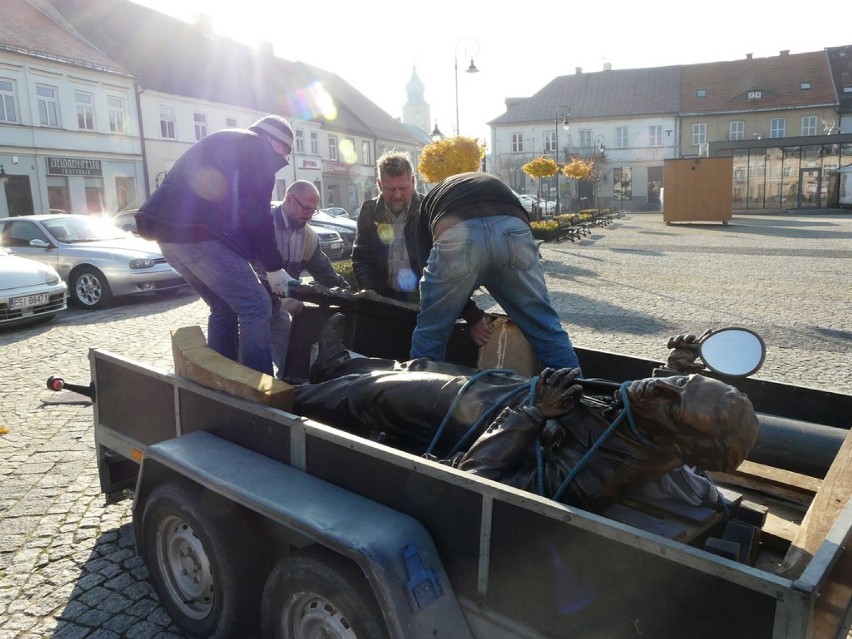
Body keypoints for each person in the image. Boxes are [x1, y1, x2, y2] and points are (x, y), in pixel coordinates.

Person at [294, 314, 759, 514]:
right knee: (414, 367)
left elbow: (479, 477)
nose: (661, 386)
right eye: (683, 382)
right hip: (501, 394)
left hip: (476, 418)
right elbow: (657, 406)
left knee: (374, 395)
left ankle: (293, 397)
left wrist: (533, 414)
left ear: (679, 441)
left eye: (675, 398)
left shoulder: (597, 476)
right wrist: (676, 369)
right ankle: (336, 364)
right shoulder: (652, 421)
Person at [135, 115, 297, 375]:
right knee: (256, 304)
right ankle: (257, 388)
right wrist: (275, 267)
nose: (282, 161)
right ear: (274, 141)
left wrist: (261, 263)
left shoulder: (230, 143)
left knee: (223, 306)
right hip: (196, 234)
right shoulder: (258, 148)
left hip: (168, 235)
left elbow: (238, 216)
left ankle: (221, 380)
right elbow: (257, 216)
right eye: (284, 154)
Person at [412, 171, 581, 370]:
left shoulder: (428, 203)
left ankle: (419, 395)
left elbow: (427, 267)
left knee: (430, 333)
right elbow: (522, 222)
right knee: (545, 328)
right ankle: (574, 394)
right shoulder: (489, 180)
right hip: (512, 229)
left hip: (458, 232)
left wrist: (472, 315)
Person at [260, 181, 350, 379]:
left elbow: (326, 274)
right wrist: (285, 297)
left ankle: (285, 394)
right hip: (249, 308)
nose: (309, 215)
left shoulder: (310, 237)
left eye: (313, 210)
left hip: (276, 309)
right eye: (307, 208)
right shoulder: (264, 224)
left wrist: (349, 295)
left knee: (293, 356)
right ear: (289, 199)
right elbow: (254, 271)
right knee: (249, 365)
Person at [351, 151, 423, 303]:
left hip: (422, 298)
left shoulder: (428, 210)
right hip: (382, 297)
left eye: (403, 188)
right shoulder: (368, 211)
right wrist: (368, 289)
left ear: (413, 181)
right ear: (379, 184)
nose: (397, 195)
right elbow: (361, 256)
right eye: (390, 189)